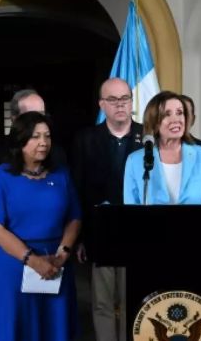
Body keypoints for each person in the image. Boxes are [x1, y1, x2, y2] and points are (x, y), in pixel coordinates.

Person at [0, 111, 82, 341]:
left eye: (47, 136)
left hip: (55, 264)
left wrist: (63, 252)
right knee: (13, 329)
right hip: (13, 265)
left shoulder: (62, 174)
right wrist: (32, 260)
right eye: (35, 136)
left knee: (55, 328)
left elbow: (74, 217)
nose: (43, 142)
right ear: (20, 140)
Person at [70, 78, 144, 341]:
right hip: (99, 233)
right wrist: (79, 237)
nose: (120, 104)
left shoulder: (148, 137)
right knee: (102, 302)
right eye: (112, 100)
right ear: (102, 104)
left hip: (138, 234)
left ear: (131, 102)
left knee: (132, 299)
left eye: (124, 98)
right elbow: (77, 189)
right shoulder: (86, 139)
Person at [123, 91, 201, 205]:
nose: (176, 119)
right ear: (154, 122)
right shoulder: (135, 161)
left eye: (180, 113)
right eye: (167, 114)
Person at [0, 89, 67, 171]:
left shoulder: (56, 153)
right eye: (32, 116)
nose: (39, 120)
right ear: (15, 119)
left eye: (42, 114)